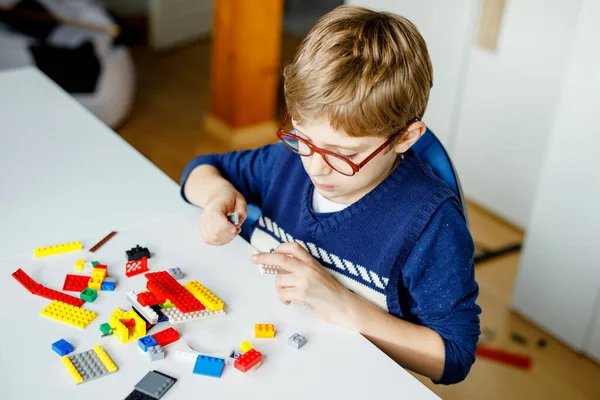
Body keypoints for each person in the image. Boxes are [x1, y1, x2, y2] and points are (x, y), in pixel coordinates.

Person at [180, 5, 481, 384]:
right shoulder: (287, 162)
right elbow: (201, 169)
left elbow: (453, 357)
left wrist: (341, 304)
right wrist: (216, 194)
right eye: (304, 138)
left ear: (405, 138)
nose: (316, 166)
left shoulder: (430, 222)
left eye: (344, 154)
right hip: (261, 362)